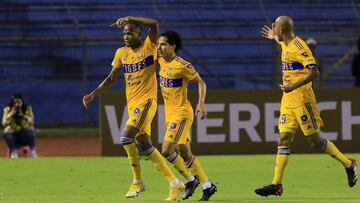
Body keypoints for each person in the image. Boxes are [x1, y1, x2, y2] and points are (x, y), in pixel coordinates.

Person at [82, 16, 184, 201]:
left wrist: (130, 18)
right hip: (133, 104)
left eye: (131, 32)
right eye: (124, 33)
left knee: (125, 137)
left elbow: (154, 24)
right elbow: (111, 78)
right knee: (145, 145)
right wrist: (93, 93)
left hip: (147, 101)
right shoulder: (121, 53)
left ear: (140, 34)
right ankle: (175, 183)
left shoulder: (150, 46)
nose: (126, 36)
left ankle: (137, 181)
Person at [255, 16, 357, 197]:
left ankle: (348, 164)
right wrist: (274, 38)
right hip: (288, 100)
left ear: (283, 30)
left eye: (276, 26)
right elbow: (284, 47)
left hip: (302, 100)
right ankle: (276, 184)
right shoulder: (285, 42)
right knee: (283, 139)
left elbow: (314, 71)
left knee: (315, 142)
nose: (273, 27)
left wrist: (293, 86)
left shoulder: (300, 47)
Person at [157, 30, 217, 201]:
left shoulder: (182, 65)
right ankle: (207, 185)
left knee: (167, 150)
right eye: (159, 44)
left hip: (182, 114)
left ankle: (190, 180)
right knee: (184, 152)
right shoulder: (160, 60)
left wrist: (201, 103)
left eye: (163, 44)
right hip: (170, 114)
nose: (159, 47)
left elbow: (201, 82)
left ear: (172, 46)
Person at [2, 94, 37, 158]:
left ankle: (32, 151)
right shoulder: (7, 109)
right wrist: (11, 115)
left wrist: (23, 116)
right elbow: (4, 123)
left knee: (32, 130)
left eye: (18, 102)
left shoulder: (27, 108)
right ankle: (13, 152)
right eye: (15, 102)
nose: (17, 104)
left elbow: (31, 121)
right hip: (14, 137)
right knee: (6, 131)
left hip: (24, 136)